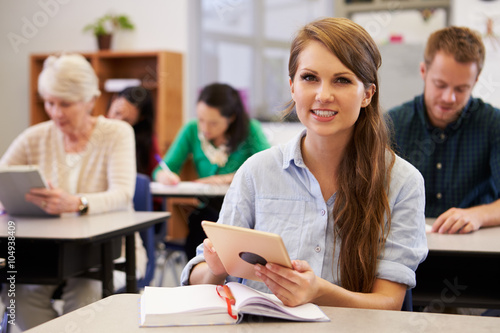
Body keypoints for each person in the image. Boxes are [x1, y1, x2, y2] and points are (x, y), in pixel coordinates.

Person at [180, 17, 428, 310]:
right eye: (309, 78)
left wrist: (318, 292)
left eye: (342, 80)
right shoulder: (256, 172)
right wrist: (215, 268)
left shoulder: (402, 181)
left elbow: (388, 303)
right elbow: (198, 278)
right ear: (292, 86)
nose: (323, 95)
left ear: (367, 94)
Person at [0, 53, 147, 330]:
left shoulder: (116, 133)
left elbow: (123, 194)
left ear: (90, 100)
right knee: (18, 295)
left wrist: (76, 203)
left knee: (84, 300)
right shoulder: (35, 136)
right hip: (49, 254)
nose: (56, 112)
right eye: (50, 102)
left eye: (65, 104)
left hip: (108, 252)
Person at [386, 26, 500, 234]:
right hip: (406, 243)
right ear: (423, 71)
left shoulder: (494, 124)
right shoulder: (392, 123)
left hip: (476, 247)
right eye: (440, 84)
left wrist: (478, 215)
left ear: (475, 80)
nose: (449, 98)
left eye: (461, 89)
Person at [153, 83, 271, 259]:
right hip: (208, 211)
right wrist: (165, 176)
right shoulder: (192, 130)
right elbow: (162, 169)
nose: (205, 128)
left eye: (213, 123)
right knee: (201, 224)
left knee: (218, 227)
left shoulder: (250, 129)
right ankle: (198, 277)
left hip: (245, 209)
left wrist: (225, 179)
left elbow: (268, 169)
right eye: (201, 120)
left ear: (231, 118)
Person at [107, 86, 160, 177]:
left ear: (140, 119)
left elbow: (156, 170)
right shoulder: (94, 129)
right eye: (117, 113)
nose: (118, 122)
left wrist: (160, 174)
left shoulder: (145, 140)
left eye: (126, 120)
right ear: (114, 100)